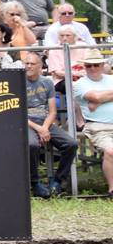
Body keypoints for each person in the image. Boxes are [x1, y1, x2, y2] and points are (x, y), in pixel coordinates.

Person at [20, 52, 78, 197]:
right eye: (26, 63)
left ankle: (58, 180)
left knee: (71, 144)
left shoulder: (47, 82)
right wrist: (40, 129)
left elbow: (52, 111)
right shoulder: (18, 82)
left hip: (45, 121)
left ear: (40, 66)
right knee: (32, 145)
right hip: (26, 122)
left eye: (32, 64)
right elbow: (18, 112)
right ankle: (35, 183)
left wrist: (45, 128)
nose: (28, 66)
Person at [70, 55, 113, 197]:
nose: (92, 68)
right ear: (84, 67)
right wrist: (98, 99)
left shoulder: (110, 79)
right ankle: (112, 189)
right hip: (97, 127)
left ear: (102, 65)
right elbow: (95, 97)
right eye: (89, 65)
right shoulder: (80, 84)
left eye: (96, 65)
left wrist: (99, 100)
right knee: (110, 152)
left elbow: (97, 98)